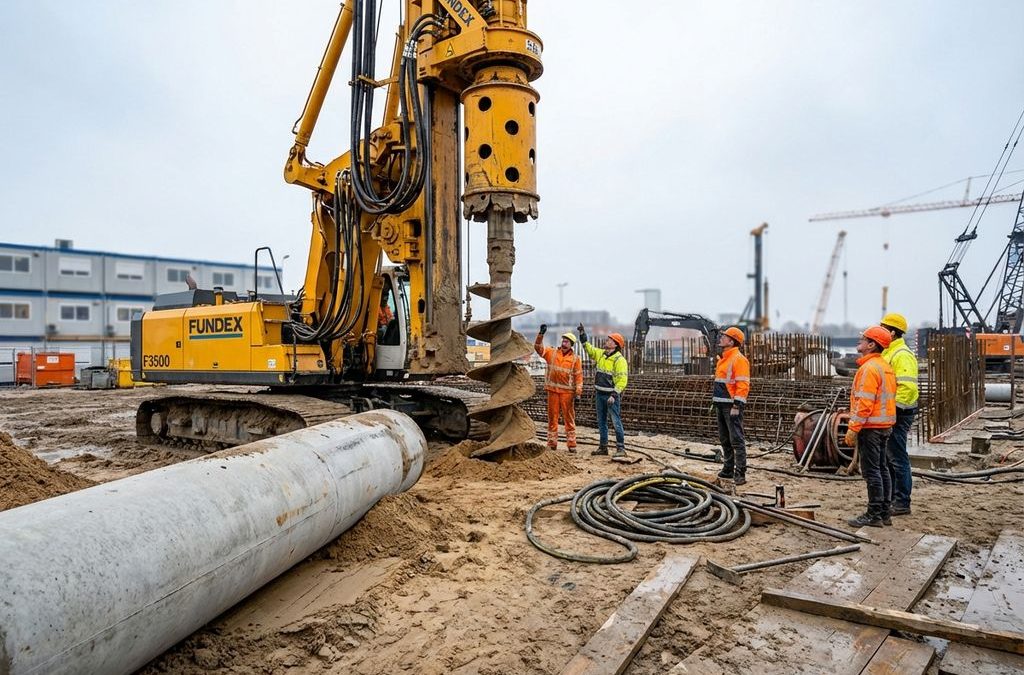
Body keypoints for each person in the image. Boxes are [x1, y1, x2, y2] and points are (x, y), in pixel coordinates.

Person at [845, 325, 898, 528]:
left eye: (863, 339)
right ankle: (884, 512)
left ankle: (874, 514)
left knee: (871, 471)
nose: (860, 342)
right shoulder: (885, 367)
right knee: (882, 468)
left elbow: (865, 403)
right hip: (884, 426)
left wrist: (853, 428)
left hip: (871, 427)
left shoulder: (869, 369)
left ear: (871, 344)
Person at [879, 313, 918, 516]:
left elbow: (908, 388)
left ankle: (902, 502)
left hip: (898, 413)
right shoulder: (888, 352)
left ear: (892, 332)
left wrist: (891, 412)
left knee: (897, 458)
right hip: (890, 413)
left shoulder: (902, 354)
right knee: (889, 458)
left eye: (883, 328)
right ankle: (895, 498)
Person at [578, 324, 629, 459]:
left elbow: (622, 380)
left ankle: (621, 448)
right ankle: (603, 447)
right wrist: (583, 335)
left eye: (609, 340)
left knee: (616, 421)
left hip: (611, 396)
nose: (607, 341)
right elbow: (589, 349)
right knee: (601, 422)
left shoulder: (619, 360)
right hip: (599, 394)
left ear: (615, 344)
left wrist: (614, 394)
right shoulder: (601, 354)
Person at [535, 324, 583, 452]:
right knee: (552, 418)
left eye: (566, 341)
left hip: (567, 393)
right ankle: (552, 444)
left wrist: (578, 394)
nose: (564, 342)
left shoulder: (575, 359)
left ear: (571, 344)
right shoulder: (552, 353)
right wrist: (541, 335)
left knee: (569, 418)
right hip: (553, 391)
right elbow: (538, 349)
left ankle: (572, 445)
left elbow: (578, 377)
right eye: (563, 340)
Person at [713, 327, 751, 485]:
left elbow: (743, 385)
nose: (721, 338)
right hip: (721, 404)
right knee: (724, 438)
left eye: (724, 336)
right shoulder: (724, 358)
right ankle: (728, 468)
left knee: (736, 439)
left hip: (731, 406)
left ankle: (740, 472)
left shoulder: (738, 359)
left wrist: (737, 405)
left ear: (732, 341)